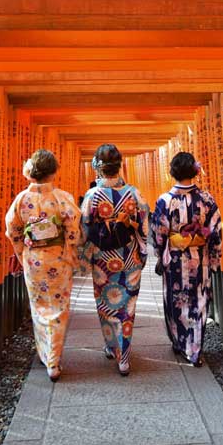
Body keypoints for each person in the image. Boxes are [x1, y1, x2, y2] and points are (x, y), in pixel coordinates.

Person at [5, 149, 83, 381]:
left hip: (34, 260)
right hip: (59, 258)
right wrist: (70, 251)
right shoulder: (62, 198)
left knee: (39, 307)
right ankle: (53, 360)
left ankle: (47, 355)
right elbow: (73, 226)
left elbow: (12, 229)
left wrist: (22, 253)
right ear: (54, 171)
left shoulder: (22, 199)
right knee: (59, 308)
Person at [80, 144, 149, 375]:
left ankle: (112, 346)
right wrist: (144, 252)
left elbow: (85, 228)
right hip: (129, 258)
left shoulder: (92, 195)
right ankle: (124, 356)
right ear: (120, 166)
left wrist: (83, 258)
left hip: (102, 260)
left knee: (106, 304)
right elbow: (144, 226)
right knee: (127, 307)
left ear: (98, 168)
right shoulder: (134, 193)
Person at [151, 152, 223, 367]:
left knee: (176, 301)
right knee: (198, 301)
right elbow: (216, 231)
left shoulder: (165, 201)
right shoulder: (207, 199)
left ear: (172, 172)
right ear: (195, 171)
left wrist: (159, 253)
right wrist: (214, 258)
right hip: (199, 259)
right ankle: (195, 347)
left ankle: (180, 341)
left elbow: (159, 232)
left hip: (174, 259)